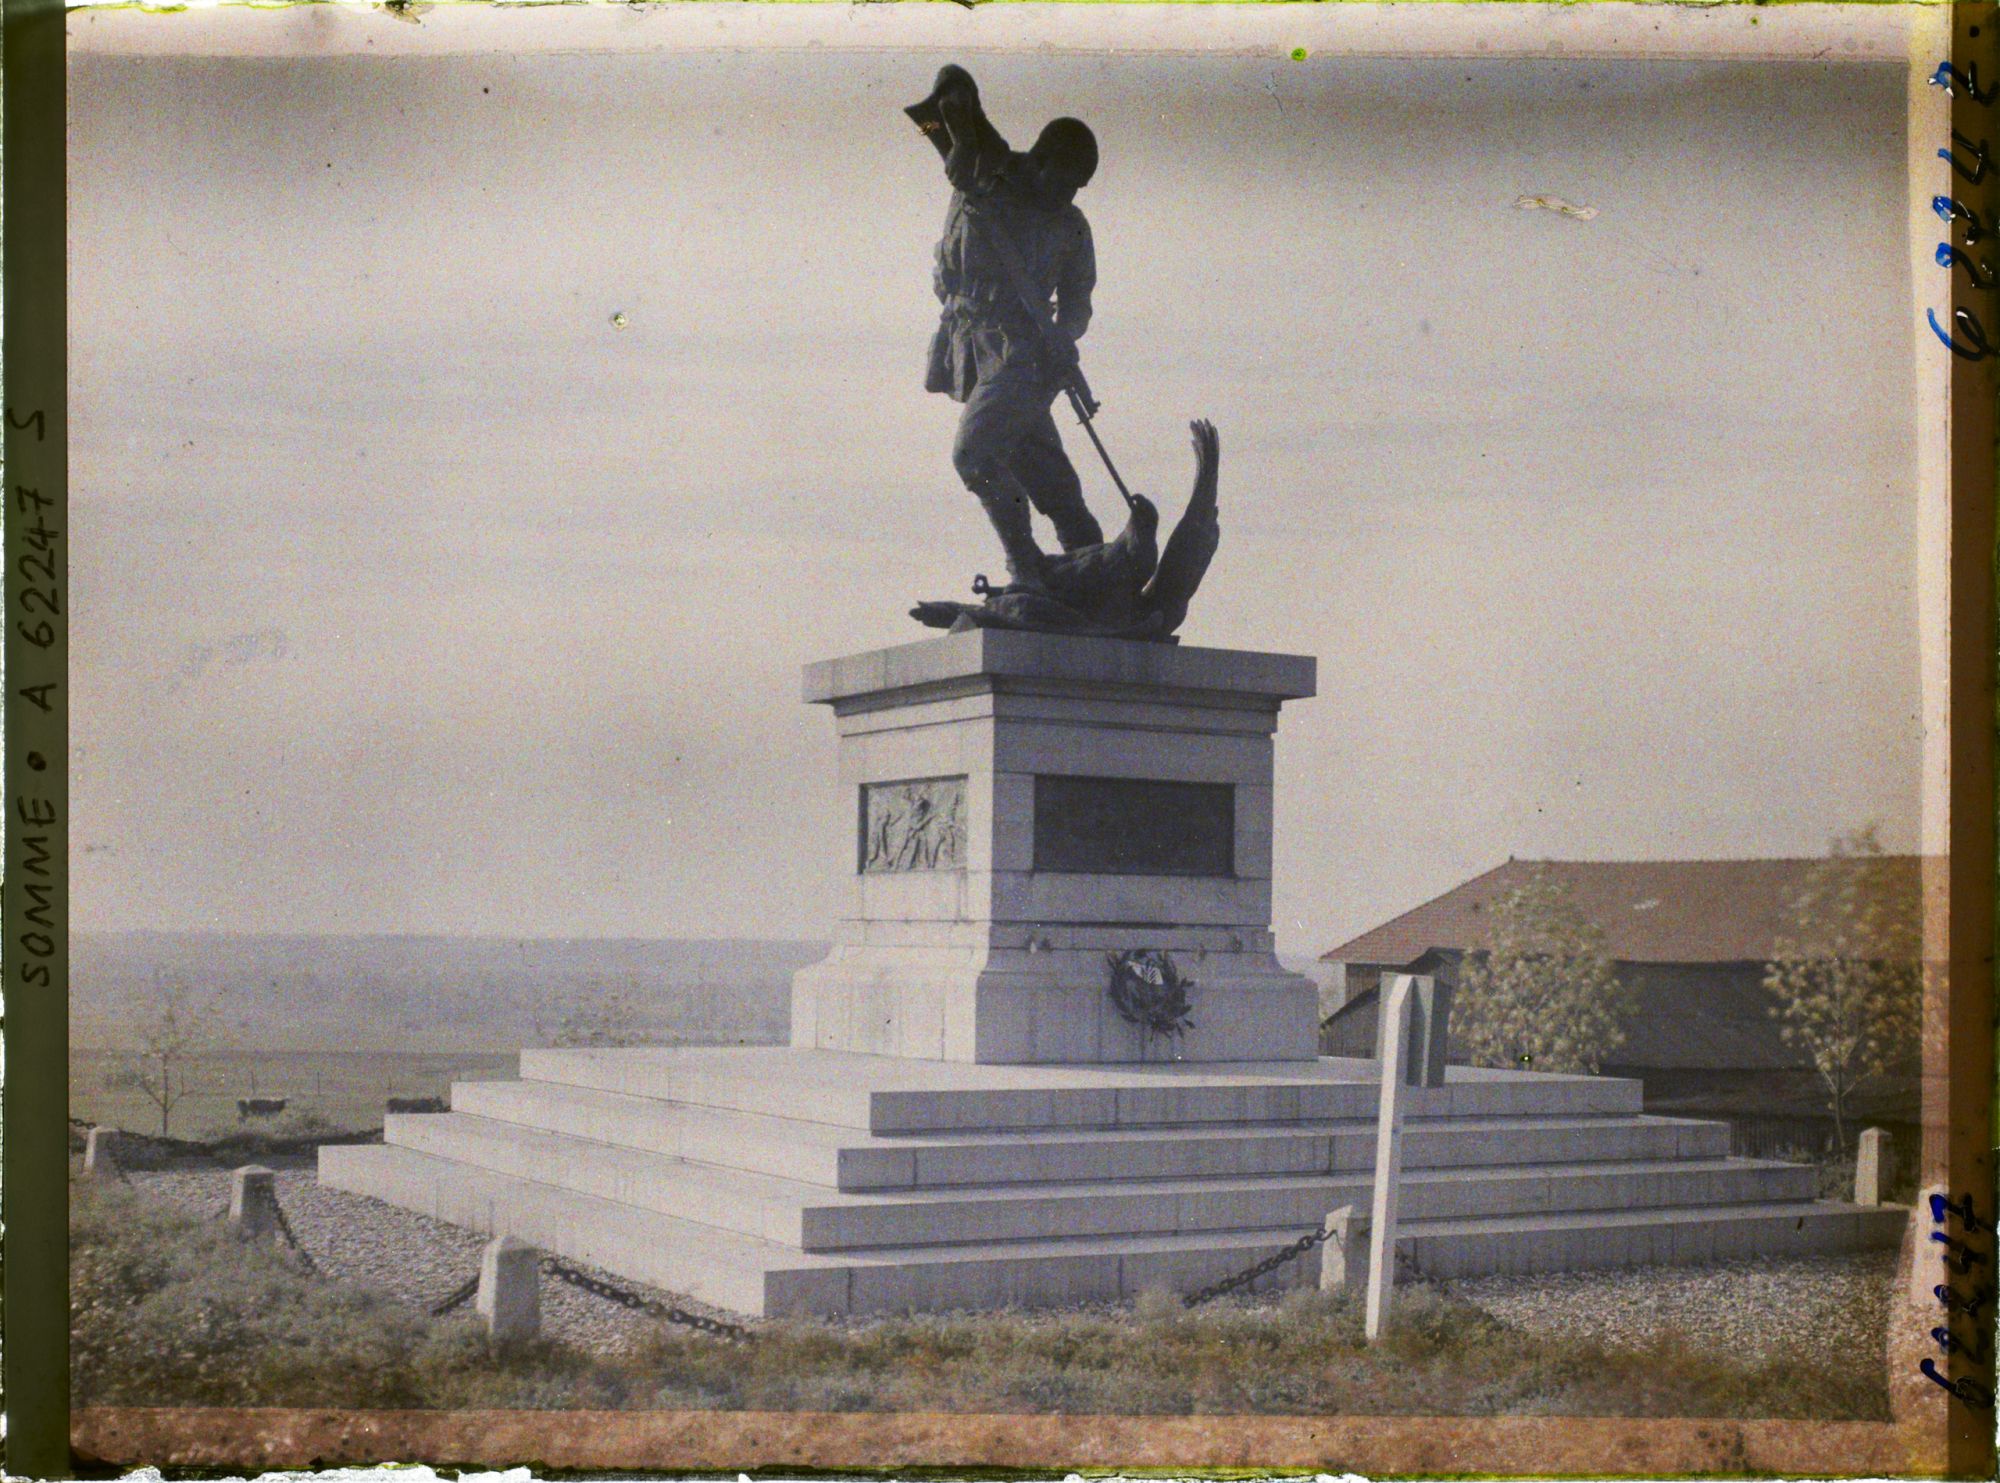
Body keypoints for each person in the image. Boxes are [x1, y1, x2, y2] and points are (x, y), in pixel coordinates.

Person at [909, 64, 1106, 588]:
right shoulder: (985, 171)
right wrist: (957, 127)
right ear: (1039, 162)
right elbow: (953, 83)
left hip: (1026, 355)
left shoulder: (1070, 227)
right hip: (973, 347)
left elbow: (1079, 303)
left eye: (1079, 187)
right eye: (1064, 182)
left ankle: (1026, 567)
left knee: (976, 453)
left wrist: (1064, 337)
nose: (1070, 196)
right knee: (1046, 474)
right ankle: (1092, 565)